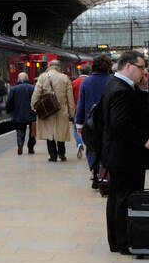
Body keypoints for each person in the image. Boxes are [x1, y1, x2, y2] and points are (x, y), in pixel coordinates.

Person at [101, 51, 149, 254]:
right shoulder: (121, 90)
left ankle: (116, 241)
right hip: (126, 155)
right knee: (124, 197)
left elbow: (131, 113)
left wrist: (142, 92)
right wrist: (144, 139)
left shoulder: (116, 85)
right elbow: (121, 123)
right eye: (141, 67)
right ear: (128, 66)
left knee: (117, 196)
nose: (144, 72)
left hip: (119, 154)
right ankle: (124, 242)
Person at [74, 55, 114, 190]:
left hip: (91, 123)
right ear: (109, 67)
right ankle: (106, 174)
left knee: (92, 148)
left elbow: (81, 105)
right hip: (110, 122)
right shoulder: (113, 81)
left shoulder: (86, 82)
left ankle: (95, 173)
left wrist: (79, 124)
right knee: (107, 148)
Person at [31, 58, 73, 161]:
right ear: (59, 67)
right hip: (61, 109)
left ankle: (52, 155)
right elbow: (70, 97)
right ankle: (62, 153)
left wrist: (34, 106)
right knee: (60, 132)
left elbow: (36, 94)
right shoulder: (65, 78)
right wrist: (71, 111)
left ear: (49, 66)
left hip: (47, 109)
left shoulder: (42, 77)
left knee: (49, 133)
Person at [5, 71, 36, 155]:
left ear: (18, 79)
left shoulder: (13, 89)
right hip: (32, 114)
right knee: (33, 132)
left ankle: (20, 145)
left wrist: (8, 110)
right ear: (27, 79)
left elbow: (9, 102)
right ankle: (31, 148)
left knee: (20, 131)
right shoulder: (32, 87)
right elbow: (36, 100)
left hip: (18, 114)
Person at [70, 66, 86, 158]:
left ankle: (79, 143)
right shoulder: (91, 81)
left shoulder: (74, 82)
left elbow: (71, 96)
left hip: (77, 109)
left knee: (77, 129)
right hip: (89, 109)